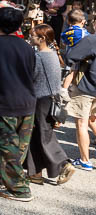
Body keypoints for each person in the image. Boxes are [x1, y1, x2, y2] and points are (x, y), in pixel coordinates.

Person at [0, 6, 37, 201]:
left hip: (2, 101)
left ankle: (20, 189)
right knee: (19, 146)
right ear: (20, 25)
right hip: (27, 101)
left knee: (7, 146)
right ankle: (2, 175)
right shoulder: (27, 47)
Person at [25, 24, 76, 185]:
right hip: (51, 99)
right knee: (37, 135)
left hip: (40, 99)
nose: (30, 38)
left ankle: (63, 164)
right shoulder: (53, 55)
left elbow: (30, 78)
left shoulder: (38, 57)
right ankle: (35, 172)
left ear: (42, 38)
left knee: (43, 135)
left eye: (33, 35)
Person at [61, 20, 96, 171]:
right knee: (92, 119)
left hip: (87, 86)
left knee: (82, 124)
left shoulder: (91, 39)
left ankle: (85, 160)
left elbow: (70, 57)